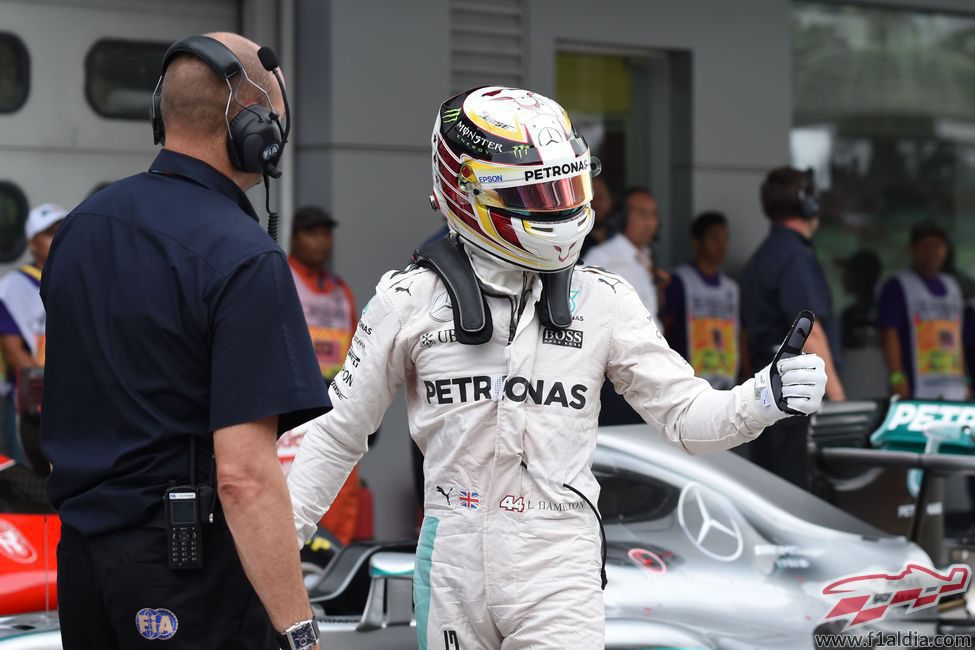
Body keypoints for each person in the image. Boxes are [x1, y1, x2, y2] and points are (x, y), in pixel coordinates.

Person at [286, 86, 827, 649]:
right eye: (536, 192)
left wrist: (766, 395)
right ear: (466, 191)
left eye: (565, 185)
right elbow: (335, 437)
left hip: (558, 558)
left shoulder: (604, 300)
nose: (557, 205)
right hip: (451, 555)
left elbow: (687, 417)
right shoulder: (406, 300)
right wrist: (268, 557)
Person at [41, 33, 325, 650]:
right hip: (189, 577)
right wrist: (299, 633)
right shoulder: (243, 257)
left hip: (83, 564)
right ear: (254, 131)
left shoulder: (80, 231)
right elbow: (244, 478)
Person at [741, 166, 845, 490]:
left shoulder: (762, 257)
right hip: (797, 397)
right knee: (796, 493)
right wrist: (839, 404)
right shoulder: (794, 257)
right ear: (807, 204)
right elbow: (809, 331)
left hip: (767, 394)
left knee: (771, 492)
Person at [287, 205, 361, 545]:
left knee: (342, 489)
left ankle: (334, 560)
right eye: (311, 233)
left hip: (336, 401)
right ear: (295, 237)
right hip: (294, 404)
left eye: (325, 233)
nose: (321, 241)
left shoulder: (339, 290)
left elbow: (360, 345)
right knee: (295, 485)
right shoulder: (282, 278)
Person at [0, 204, 66, 463]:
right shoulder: (12, 287)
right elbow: (13, 349)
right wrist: (49, 390)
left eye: (63, 231)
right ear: (32, 244)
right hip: (28, 404)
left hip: (74, 398)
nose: (58, 239)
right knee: (31, 478)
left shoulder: (79, 279)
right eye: (50, 234)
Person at [877, 221, 969, 400]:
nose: (933, 252)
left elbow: (957, 338)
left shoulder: (953, 287)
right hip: (917, 387)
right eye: (925, 246)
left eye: (938, 246)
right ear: (912, 249)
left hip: (954, 386)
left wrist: (965, 381)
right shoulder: (898, 286)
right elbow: (889, 335)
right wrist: (897, 378)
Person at [662, 211, 742, 389]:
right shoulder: (680, 281)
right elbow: (664, 329)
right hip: (687, 384)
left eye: (725, 239)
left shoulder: (732, 289)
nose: (721, 246)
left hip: (726, 384)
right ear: (696, 242)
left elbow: (741, 335)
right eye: (714, 239)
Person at [582, 186, 661, 316]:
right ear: (623, 217)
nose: (650, 223)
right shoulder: (601, 257)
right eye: (643, 214)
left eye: (653, 214)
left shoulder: (647, 256)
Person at [579, 175, 614, 257]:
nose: (596, 202)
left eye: (600, 197)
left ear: (611, 200)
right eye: (590, 198)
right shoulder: (572, 244)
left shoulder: (619, 236)